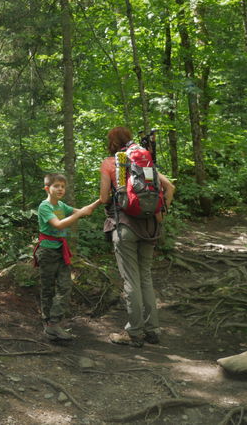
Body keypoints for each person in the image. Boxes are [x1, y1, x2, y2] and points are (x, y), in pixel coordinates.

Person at [99, 127, 175, 347]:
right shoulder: (146, 161)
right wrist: (159, 213)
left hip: (125, 227)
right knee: (146, 278)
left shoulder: (111, 163)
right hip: (151, 227)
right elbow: (169, 187)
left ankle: (134, 333)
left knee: (131, 280)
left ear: (112, 142)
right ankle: (153, 330)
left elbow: (104, 198)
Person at [35, 173, 101, 340]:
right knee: (48, 288)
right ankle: (48, 322)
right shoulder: (45, 207)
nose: (60, 189)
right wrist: (79, 214)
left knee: (65, 286)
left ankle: (54, 323)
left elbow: (85, 212)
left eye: (63, 186)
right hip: (47, 252)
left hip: (60, 251)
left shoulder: (62, 205)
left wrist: (100, 200)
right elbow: (58, 224)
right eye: (56, 186)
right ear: (47, 188)